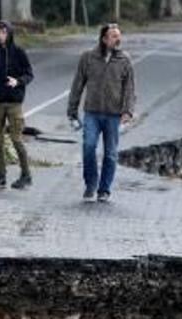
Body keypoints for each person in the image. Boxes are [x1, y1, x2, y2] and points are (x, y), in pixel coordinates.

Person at [67, 23, 136, 202]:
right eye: (113, 36)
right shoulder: (88, 58)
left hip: (114, 115)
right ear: (104, 39)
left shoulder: (124, 60)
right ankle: (91, 183)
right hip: (92, 113)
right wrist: (72, 111)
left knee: (111, 153)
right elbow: (77, 85)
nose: (117, 39)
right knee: (88, 147)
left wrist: (128, 111)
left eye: (118, 36)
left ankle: (104, 189)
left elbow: (129, 88)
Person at [0, 20, 34, 190]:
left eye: (3, 32)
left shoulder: (19, 53)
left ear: (9, 33)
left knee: (16, 139)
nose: (0, 36)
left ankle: (26, 175)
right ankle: (0, 176)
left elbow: (29, 74)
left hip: (14, 103)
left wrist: (18, 81)